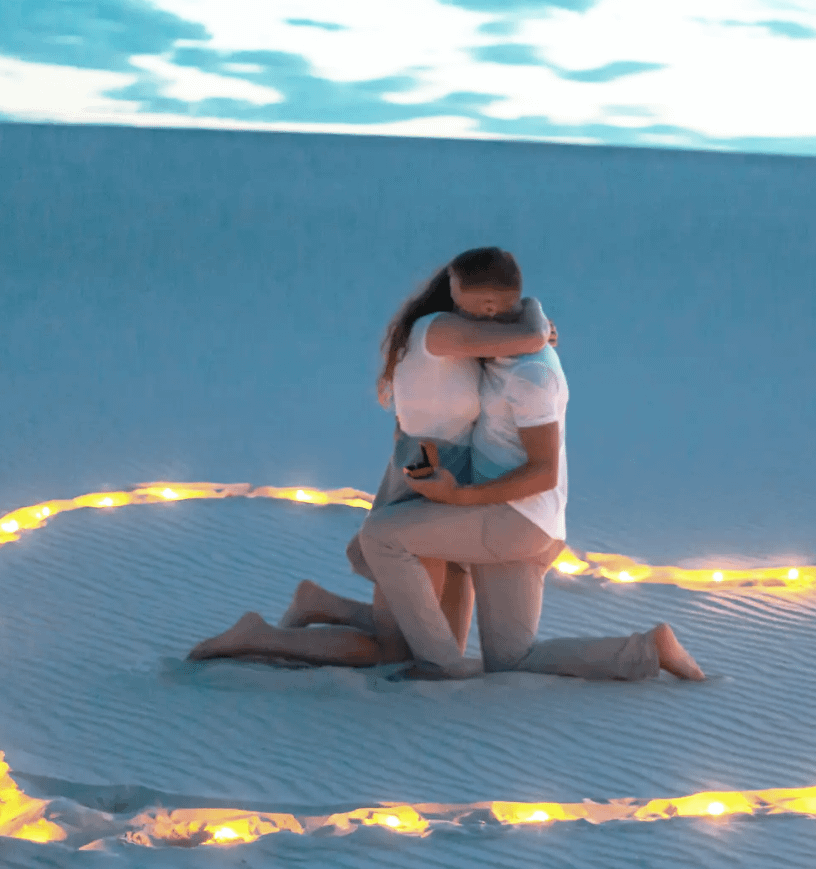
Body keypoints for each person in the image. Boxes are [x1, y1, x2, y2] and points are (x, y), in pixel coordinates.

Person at [187, 247, 551, 666]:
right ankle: (259, 636)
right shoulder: (440, 329)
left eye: (501, 310)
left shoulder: (459, 334)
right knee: (398, 652)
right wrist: (533, 310)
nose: (492, 317)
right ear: (455, 291)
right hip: (432, 469)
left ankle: (320, 604)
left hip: (445, 467)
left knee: (437, 637)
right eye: (488, 307)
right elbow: (532, 338)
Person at [356, 260, 705, 684]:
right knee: (511, 660)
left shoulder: (532, 374)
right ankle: (648, 649)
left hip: (518, 521)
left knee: (380, 536)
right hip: (514, 523)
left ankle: (439, 665)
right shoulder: (499, 355)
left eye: (467, 312)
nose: (459, 322)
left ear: (489, 310)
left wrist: (457, 497)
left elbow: (543, 472)